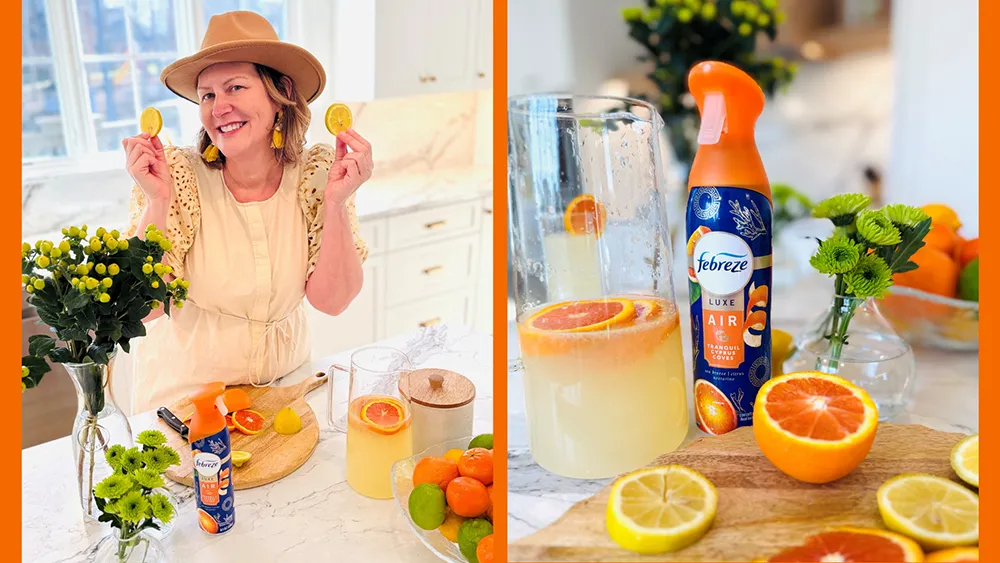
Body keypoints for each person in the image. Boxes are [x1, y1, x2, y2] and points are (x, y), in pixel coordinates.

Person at [121, 11, 373, 413]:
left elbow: (333, 301)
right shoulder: (177, 177)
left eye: (235, 87)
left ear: (280, 93)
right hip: (187, 403)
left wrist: (336, 203)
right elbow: (141, 309)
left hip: (283, 391)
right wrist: (156, 202)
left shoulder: (317, 175)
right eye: (207, 95)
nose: (219, 107)